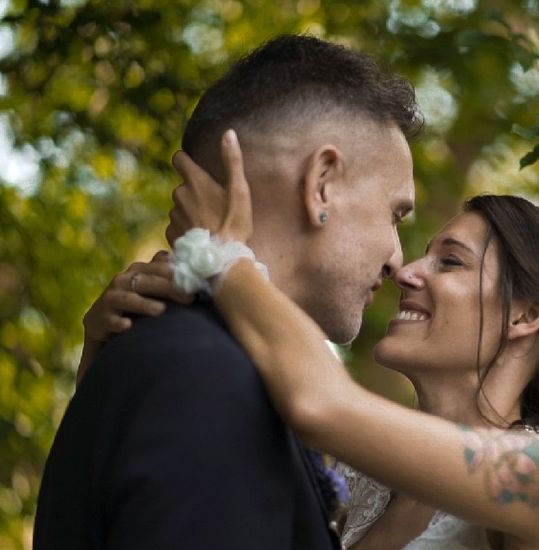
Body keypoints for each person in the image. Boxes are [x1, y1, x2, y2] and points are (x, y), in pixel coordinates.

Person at [79, 131, 539, 548]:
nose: (406, 271)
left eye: (449, 263)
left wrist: (222, 253)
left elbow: (319, 403)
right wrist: (103, 353)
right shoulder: (360, 484)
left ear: (526, 315)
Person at [33, 34, 422, 550]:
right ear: (322, 184)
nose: (397, 260)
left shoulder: (198, 362)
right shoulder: (201, 374)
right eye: (394, 214)